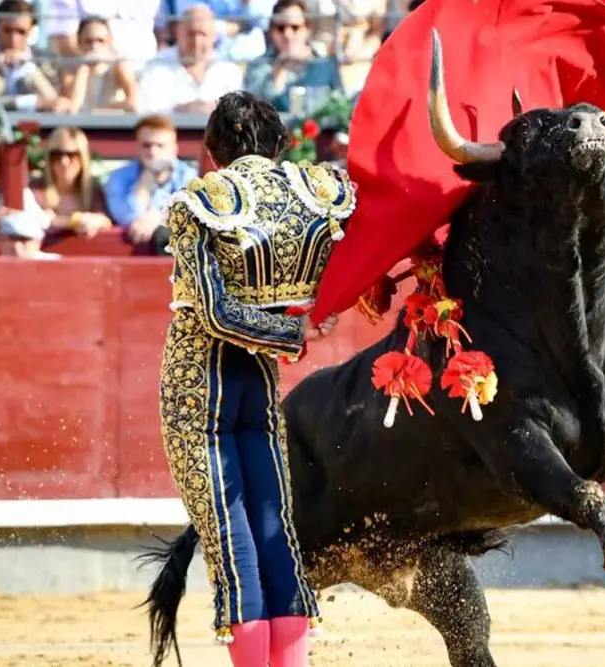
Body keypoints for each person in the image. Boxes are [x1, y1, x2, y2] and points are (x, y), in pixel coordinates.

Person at [157, 90, 351, 667]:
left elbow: (215, 312)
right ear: (279, 143)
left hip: (199, 383)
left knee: (235, 545)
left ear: (213, 151)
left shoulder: (198, 201)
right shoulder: (319, 195)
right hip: (260, 382)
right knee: (276, 531)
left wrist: (298, 335)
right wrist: (311, 319)